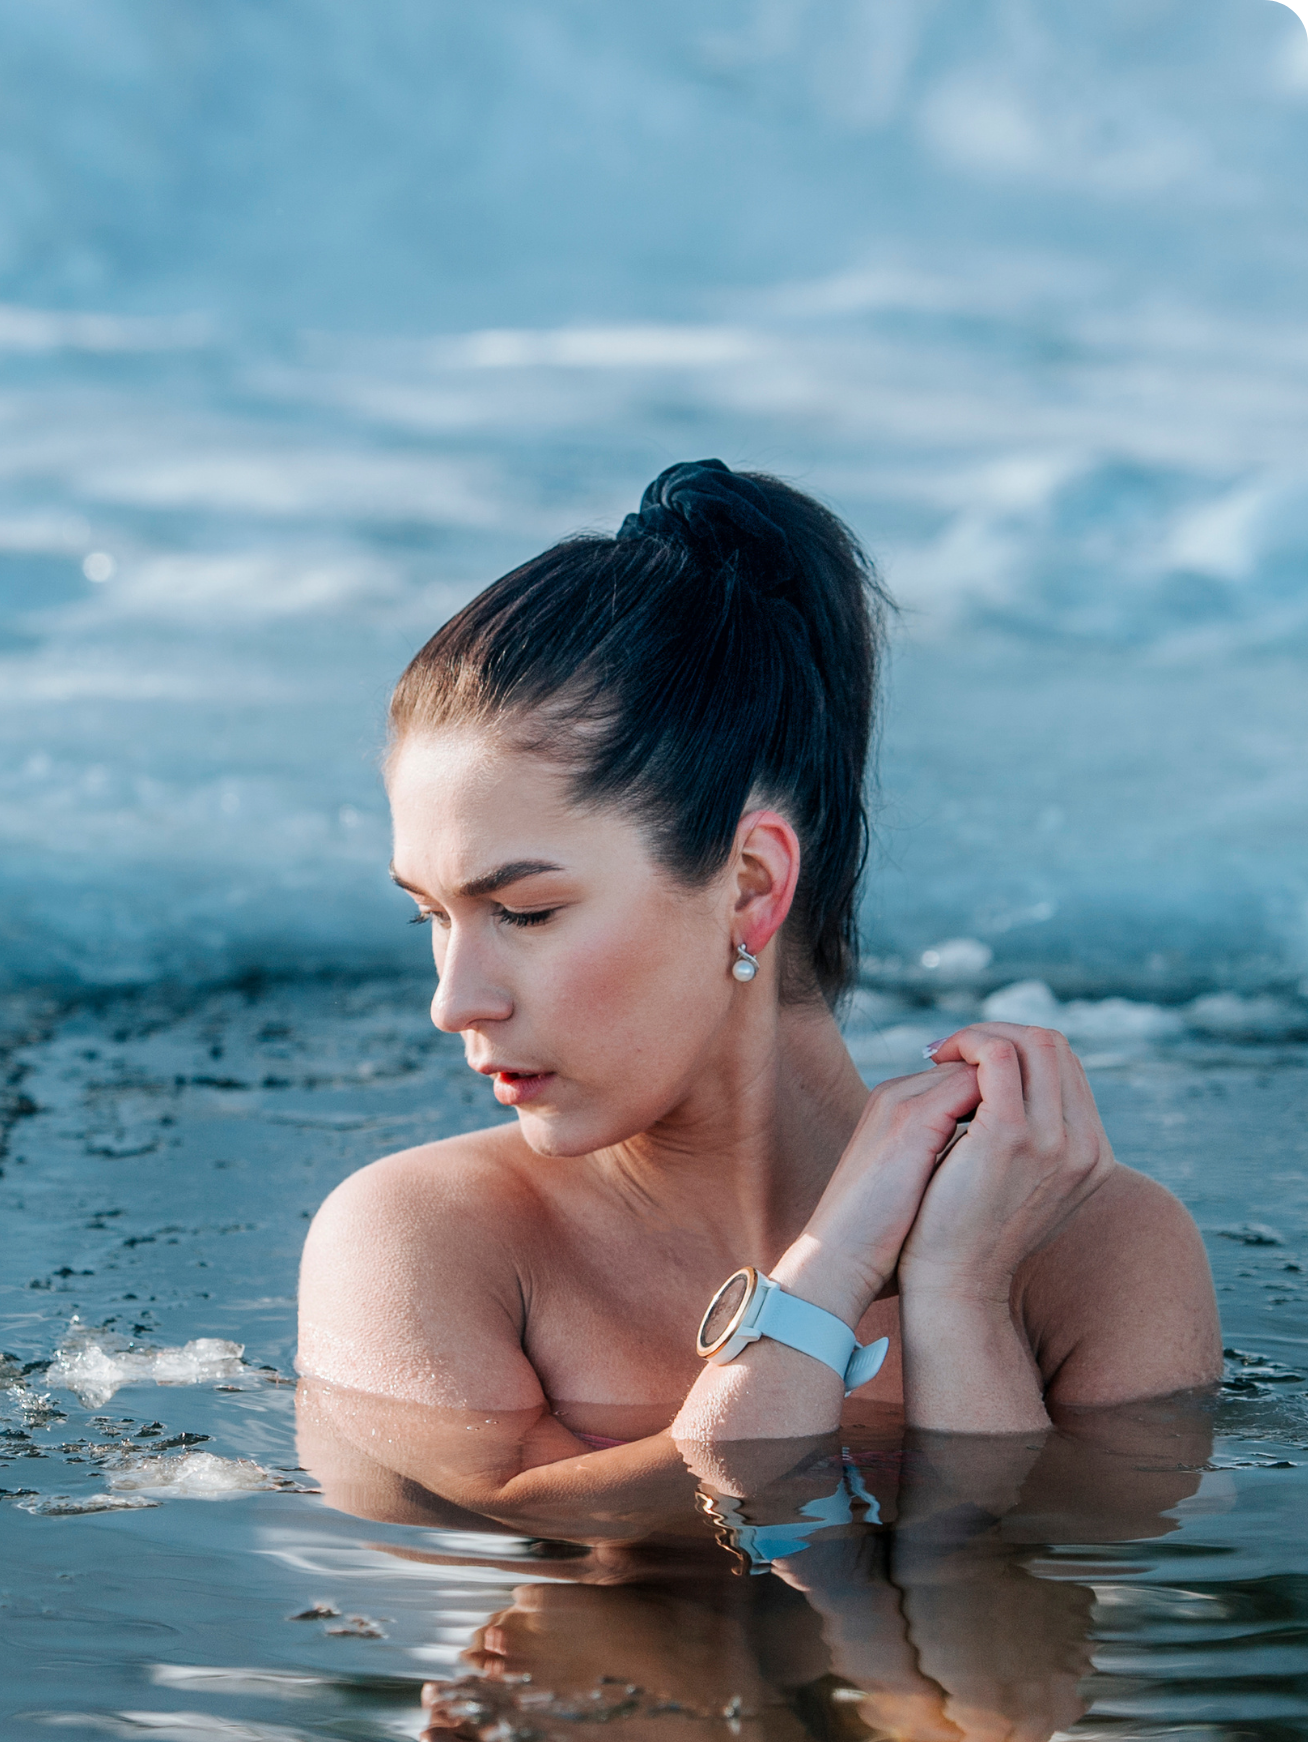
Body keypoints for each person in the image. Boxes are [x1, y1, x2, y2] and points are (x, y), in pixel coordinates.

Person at [296, 458, 1221, 1483]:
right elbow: (525, 1530)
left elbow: (1002, 1638)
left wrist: (962, 1292)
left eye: (524, 910)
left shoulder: (1098, 1252)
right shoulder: (425, 1238)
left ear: (746, 884)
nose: (451, 1000)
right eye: (432, 913)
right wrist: (827, 1275)